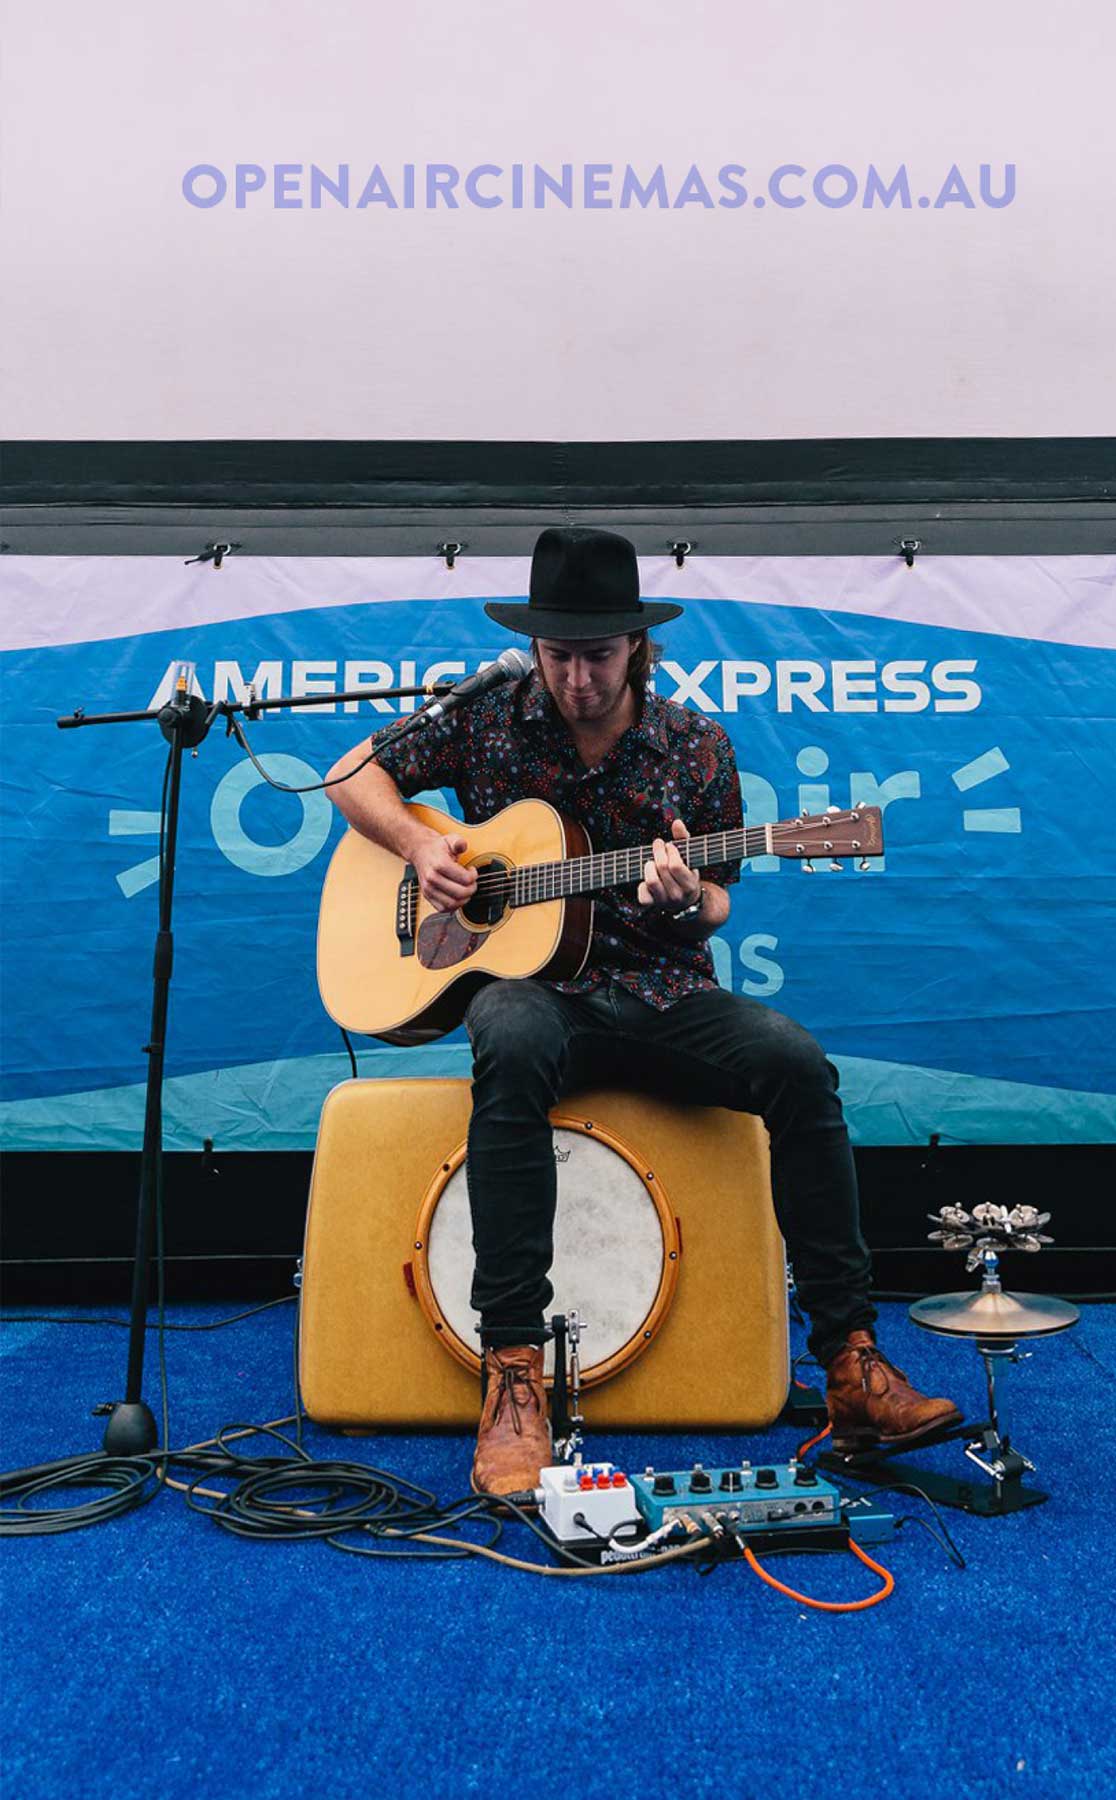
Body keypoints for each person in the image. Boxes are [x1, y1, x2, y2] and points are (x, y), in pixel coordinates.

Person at [326, 526, 961, 1495]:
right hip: (539, 1000)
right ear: (533, 648)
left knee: (797, 1065)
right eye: (559, 655)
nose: (577, 678)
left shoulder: (696, 747)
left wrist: (685, 898)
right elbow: (348, 773)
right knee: (504, 1024)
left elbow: (719, 900)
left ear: (638, 648)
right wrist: (419, 846)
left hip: (664, 994)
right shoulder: (488, 714)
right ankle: (512, 1377)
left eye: (598, 656)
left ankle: (849, 1361)